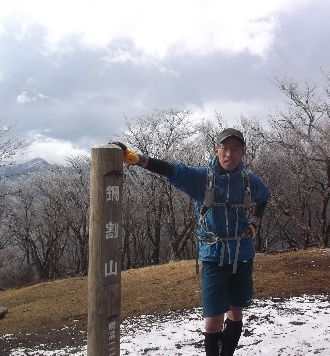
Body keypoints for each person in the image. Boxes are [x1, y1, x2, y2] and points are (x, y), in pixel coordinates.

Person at [113, 128, 270, 356]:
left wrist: (255, 221)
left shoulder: (249, 181)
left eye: (235, 149)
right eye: (225, 148)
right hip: (214, 257)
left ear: (243, 153)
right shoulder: (201, 179)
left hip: (243, 255)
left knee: (236, 313)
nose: (230, 154)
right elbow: (171, 170)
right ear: (216, 150)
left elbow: (264, 197)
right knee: (213, 322)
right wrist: (138, 160)